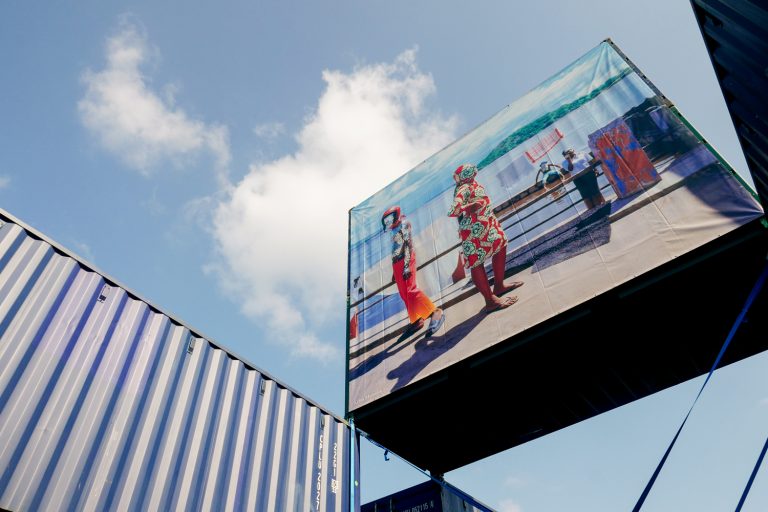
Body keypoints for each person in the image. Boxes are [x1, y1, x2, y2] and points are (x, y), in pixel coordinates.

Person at [448, 164, 523, 313]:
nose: (455, 180)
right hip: (473, 230)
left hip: (487, 225)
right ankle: (490, 301)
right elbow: (453, 211)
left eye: (456, 177)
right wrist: (468, 207)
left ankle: (499, 286)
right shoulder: (464, 188)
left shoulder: (472, 183)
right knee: (476, 262)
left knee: (501, 245)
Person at [382, 206, 445, 337]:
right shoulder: (394, 229)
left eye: (389, 219)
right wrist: (395, 271)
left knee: (411, 290)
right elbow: (396, 248)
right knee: (404, 294)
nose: (388, 223)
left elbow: (408, 245)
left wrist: (406, 266)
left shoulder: (404, 224)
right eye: (386, 221)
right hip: (397, 263)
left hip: (406, 258)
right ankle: (416, 319)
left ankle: (436, 313)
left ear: (396, 215)